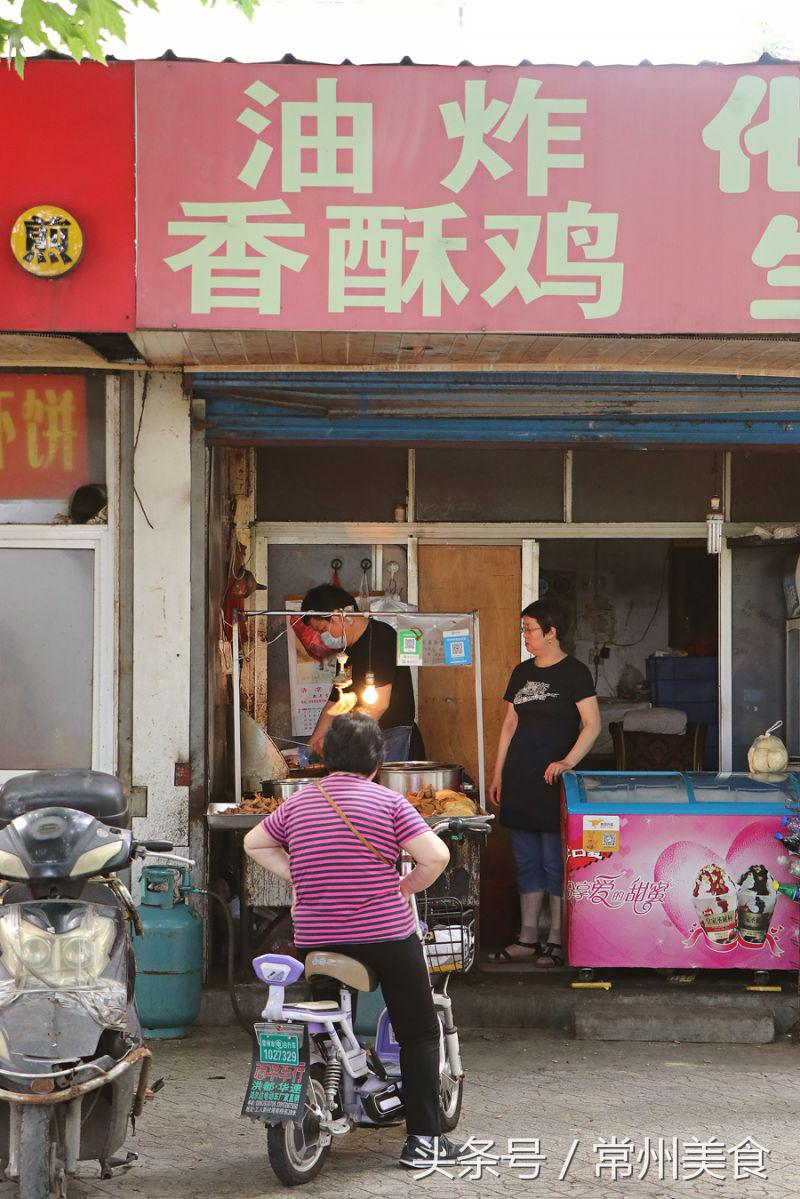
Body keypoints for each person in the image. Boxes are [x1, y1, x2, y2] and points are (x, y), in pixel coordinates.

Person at [243, 712, 471, 1168]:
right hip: (384, 934)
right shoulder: (389, 803)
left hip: (317, 938)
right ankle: (424, 1140)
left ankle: (338, 1085)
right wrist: (403, 888)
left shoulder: (298, 805)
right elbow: (437, 856)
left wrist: (299, 878)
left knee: (327, 1020)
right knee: (420, 1031)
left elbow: (254, 843)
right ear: (377, 760)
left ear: (325, 757)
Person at [488, 598, 601, 968]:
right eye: (523, 629)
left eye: (530, 629)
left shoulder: (575, 673)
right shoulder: (521, 672)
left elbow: (593, 725)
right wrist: (498, 771)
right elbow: (509, 724)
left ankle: (556, 939)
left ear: (551, 633)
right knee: (525, 860)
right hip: (520, 777)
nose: (525, 636)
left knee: (555, 861)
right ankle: (527, 937)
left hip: (554, 782)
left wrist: (569, 760)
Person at [301, 583, 423, 762]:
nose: (322, 637)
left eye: (322, 630)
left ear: (337, 617)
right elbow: (334, 704)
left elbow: (378, 704)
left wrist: (340, 739)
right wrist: (307, 751)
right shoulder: (346, 652)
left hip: (394, 743)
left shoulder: (382, 638)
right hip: (364, 743)